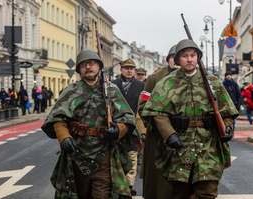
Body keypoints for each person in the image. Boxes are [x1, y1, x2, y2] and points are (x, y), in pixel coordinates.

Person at [141, 39, 238, 199]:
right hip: (179, 147)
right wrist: (169, 134)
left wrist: (228, 126)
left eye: (193, 55)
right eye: (185, 56)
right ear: (178, 59)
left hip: (207, 145)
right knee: (180, 193)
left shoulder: (212, 82)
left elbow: (226, 111)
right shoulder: (166, 83)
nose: (189, 59)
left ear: (198, 58)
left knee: (207, 192)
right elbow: (157, 113)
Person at [41, 49, 140, 199]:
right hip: (77, 160)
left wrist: (118, 130)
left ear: (99, 66)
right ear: (79, 69)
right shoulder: (71, 91)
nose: (88, 67)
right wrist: (64, 138)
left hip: (104, 160)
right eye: (83, 64)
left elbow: (128, 118)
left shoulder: (112, 90)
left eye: (92, 63)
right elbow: (58, 119)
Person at [137, 44, 180, 199]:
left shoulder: (192, 77)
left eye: (178, 57)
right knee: (158, 185)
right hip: (157, 137)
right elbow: (143, 106)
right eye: (172, 57)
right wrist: (154, 125)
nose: (175, 60)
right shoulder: (154, 78)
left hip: (185, 136)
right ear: (168, 59)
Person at [111, 58, 145, 196]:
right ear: (121, 70)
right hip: (116, 125)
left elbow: (145, 105)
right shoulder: (112, 84)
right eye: (126, 68)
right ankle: (118, 184)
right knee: (116, 157)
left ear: (134, 70)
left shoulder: (142, 86)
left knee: (132, 156)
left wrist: (143, 129)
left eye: (131, 68)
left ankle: (129, 186)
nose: (129, 71)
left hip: (133, 125)